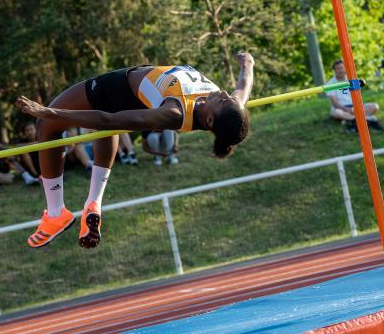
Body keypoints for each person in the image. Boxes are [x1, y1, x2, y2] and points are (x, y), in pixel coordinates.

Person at [16, 52, 254, 249]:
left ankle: (56, 211)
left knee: (46, 126)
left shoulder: (174, 112)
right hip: (135, 94)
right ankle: (93, 203)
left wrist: (50, 113)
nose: (224, 93)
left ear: (210, 120)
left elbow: (107, 120)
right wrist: (247, 63)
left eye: (223, 100)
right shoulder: (231, 107)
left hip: (117, 89)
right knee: (106, 130)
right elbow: (243, 84)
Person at [326, 59, 383, 133]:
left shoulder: (352, 79)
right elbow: (334, 103)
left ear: (345, 68)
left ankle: (354, 121)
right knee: (336, 112)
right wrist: (348, 109)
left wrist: (356, 107)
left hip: (354, 106)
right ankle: (367, 120)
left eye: (342, 68)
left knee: (374, 106)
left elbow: (358, 96)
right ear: (334, 70)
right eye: (338, 68)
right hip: (342, 108)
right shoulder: (330, 84)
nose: (340, 70)